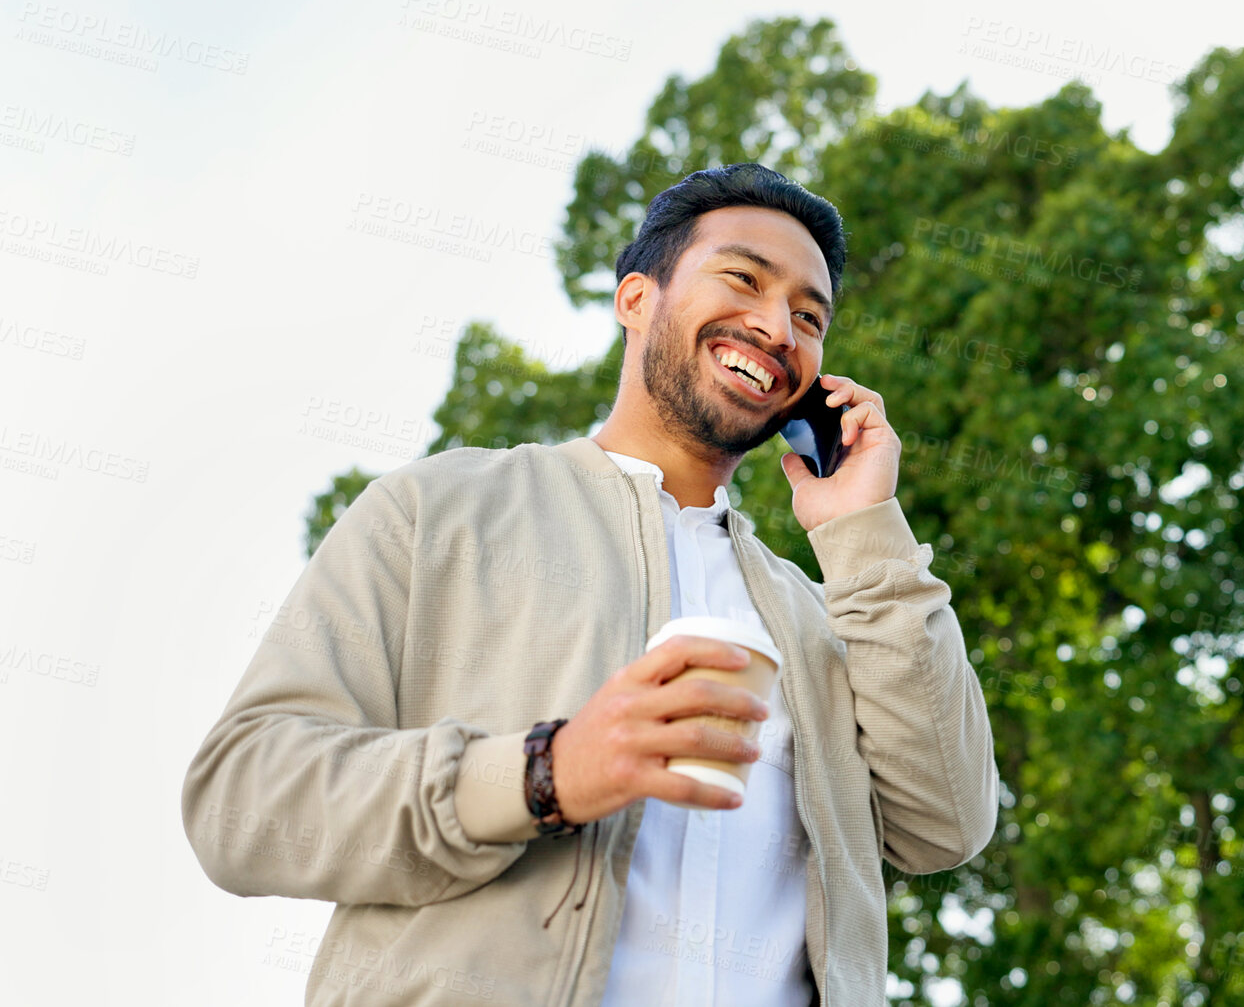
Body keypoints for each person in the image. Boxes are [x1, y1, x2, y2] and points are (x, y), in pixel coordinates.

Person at [181, 163, 1000, 1006]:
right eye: (744, 279)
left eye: (807, 316)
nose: (775, 326)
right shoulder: (440, 510)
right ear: (636, 298)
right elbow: (241, 798)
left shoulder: (826, 613)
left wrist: (863, 531)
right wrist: (545, 773)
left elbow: (945, 822)